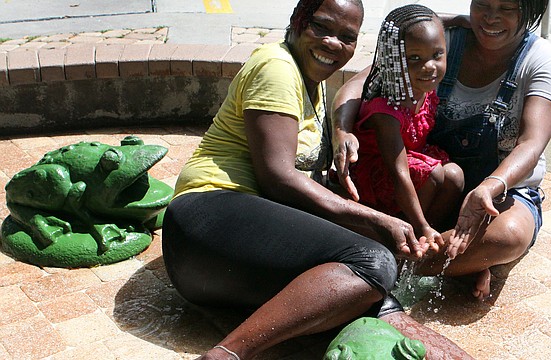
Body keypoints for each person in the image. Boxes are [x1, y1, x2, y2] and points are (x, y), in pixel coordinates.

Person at [161, 0, 473, 359]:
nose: (332, 43)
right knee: (375, 261)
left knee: (367, 290)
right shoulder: (276, 67)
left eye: (347, 37)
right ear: (298, 21)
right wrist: (376, 218)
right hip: (205, 221)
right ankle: (227, 353)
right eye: (322, 28)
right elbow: (278, 178)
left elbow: (400, 46)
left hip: (219, 266)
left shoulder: (311, 77)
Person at [332, 0, 551, 301]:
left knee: (507, 237)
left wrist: (490, 186)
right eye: (482, 3)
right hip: (436, 179)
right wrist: (342, 130)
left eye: (507, 9)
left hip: (502, 190)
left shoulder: (543, 62)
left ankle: (386, 264)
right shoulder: (443, 39)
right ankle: (451, 261)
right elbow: (363, 81)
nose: (491, 17)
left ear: (532, 8)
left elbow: (531, 143)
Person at [349, 4, 464, 250]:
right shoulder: (386, 109)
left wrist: (458, 19)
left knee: (455, 176)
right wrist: (420, 224)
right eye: (414, 58)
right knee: (432, 174)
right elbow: (398, 172)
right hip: (376, 172)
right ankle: (405, 237)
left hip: (413, 161)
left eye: (437, 55)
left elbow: (425, 25)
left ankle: (428, 237)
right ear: (393, 59)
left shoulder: (422, 86)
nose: (429, 66)